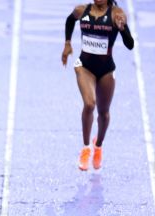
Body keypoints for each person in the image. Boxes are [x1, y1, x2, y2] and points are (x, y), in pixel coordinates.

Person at [62, 0, 133, 171]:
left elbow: (130, 45)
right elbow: (70, 20)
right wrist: (67, 43)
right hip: (85, 67)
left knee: (104, 113)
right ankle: (86, 148)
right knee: (89, 104)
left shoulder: (117, 14)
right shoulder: (81, 10)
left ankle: (98, 146)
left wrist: (122, 30)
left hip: (106, 70)